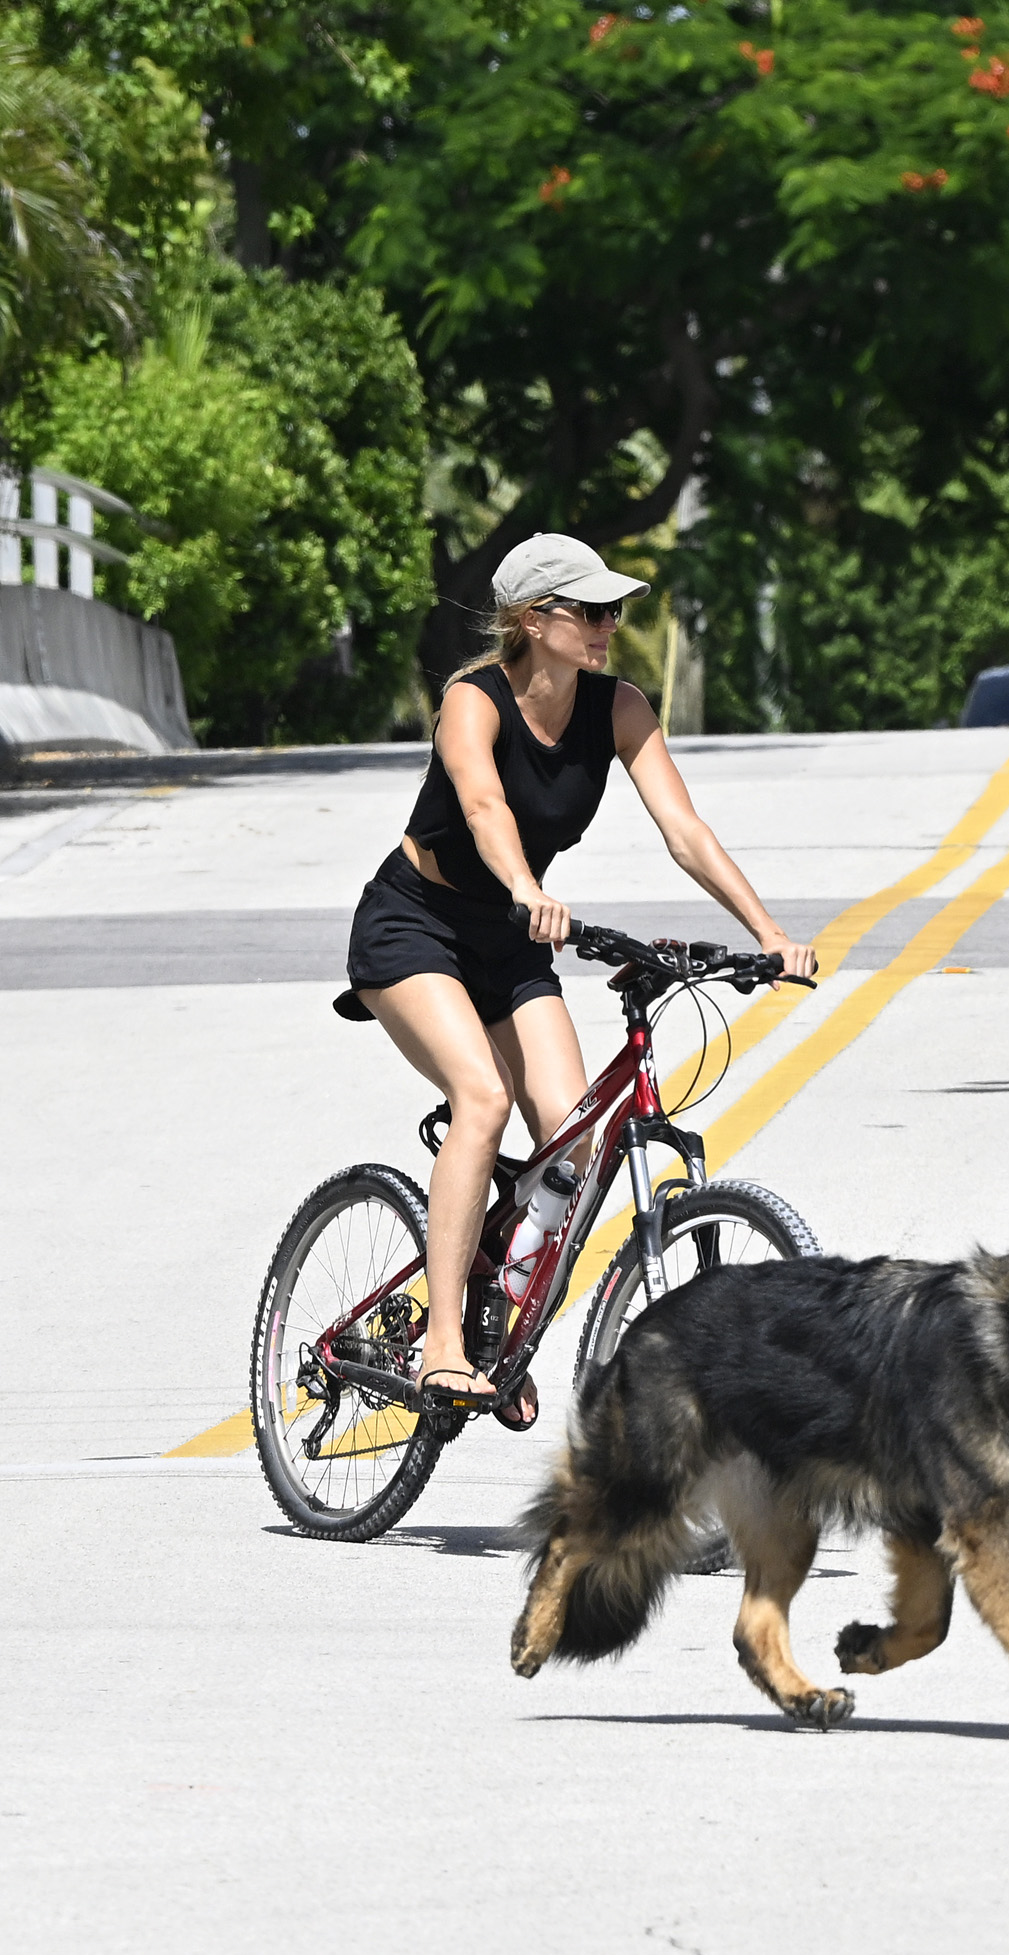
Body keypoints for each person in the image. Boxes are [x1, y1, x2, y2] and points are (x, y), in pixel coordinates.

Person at [336, 534, 818, 1420]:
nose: (607, 627)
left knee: (573, 1139)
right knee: (480, 1096)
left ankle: (498, 1323)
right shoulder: (471, 703)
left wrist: (769, 933)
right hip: (417, 923)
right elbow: (482, 804)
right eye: (590, 611)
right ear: (533, 619)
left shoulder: (618, 706)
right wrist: (525, 886)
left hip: (512, 941)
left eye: (614, 611)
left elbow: (685, 829)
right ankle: (442, 1344)